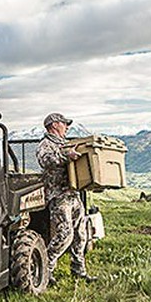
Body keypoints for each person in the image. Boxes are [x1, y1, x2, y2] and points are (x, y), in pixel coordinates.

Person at [37, 112, 95, 283]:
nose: (67, 127)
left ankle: (79, 271)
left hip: (73, 195)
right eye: (64, 124)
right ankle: (46, 270)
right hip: (58, 196)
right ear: (54, 125)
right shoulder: (45, 144)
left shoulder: (65, 143)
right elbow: (45, 161)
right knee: (65, 234)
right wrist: (66, 156)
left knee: (80, 234)